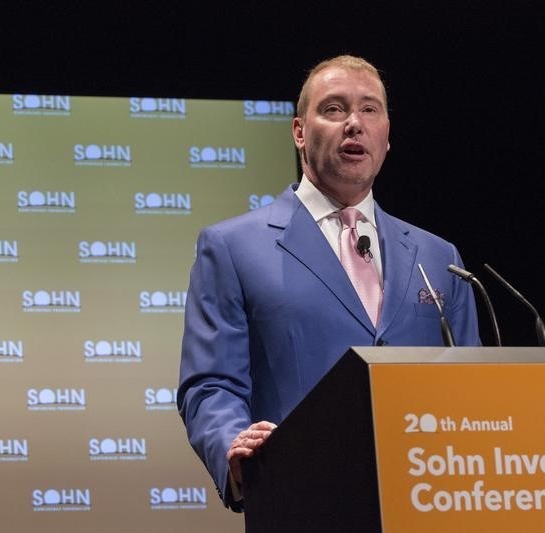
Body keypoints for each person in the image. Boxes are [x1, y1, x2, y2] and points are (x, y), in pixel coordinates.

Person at [177, 55, 480, 512]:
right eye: (335, 109)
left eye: (370, 109)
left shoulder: (440, 258)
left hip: (430, 501)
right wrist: (234, 446)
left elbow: (472, 388)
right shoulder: (232, 247)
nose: (354, 124)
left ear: (388, 134)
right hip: (303, 501)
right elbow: (210, 385)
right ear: (300, 131)